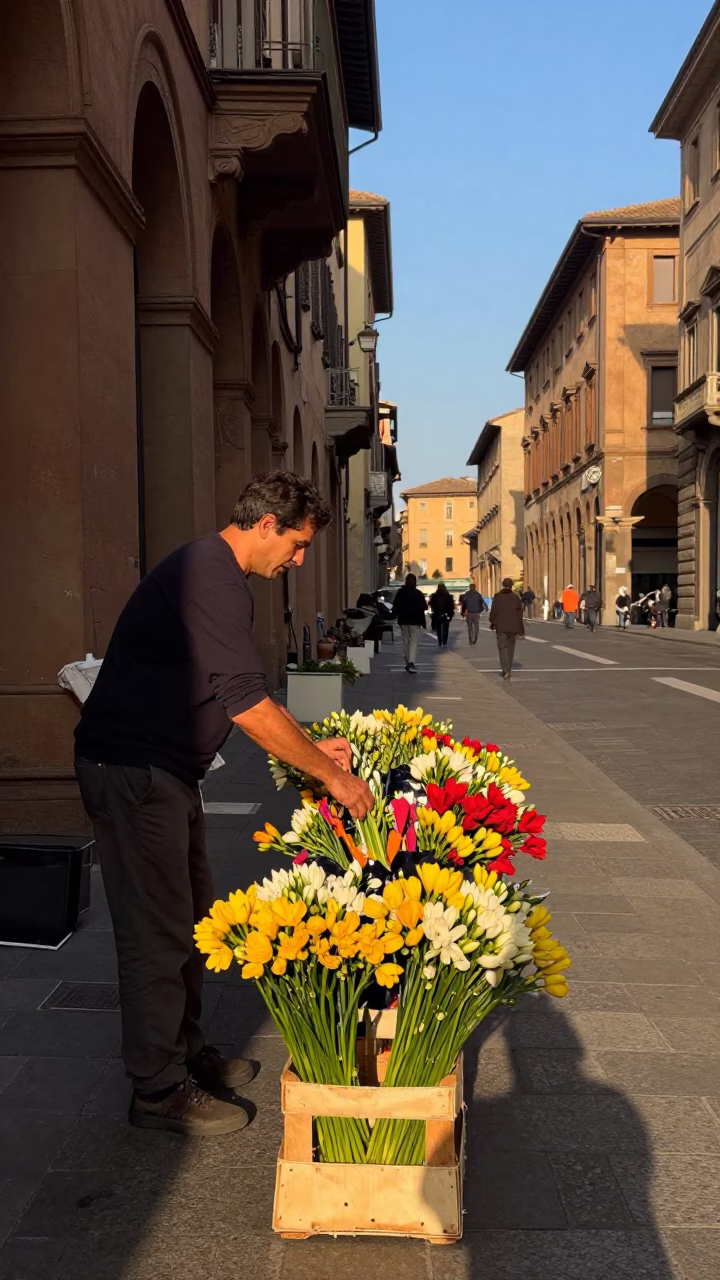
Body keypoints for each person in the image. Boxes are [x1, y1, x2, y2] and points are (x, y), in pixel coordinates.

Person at [74, 472, 373, 1137]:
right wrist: (330, 774)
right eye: (297, 545)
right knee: (157, 932)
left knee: (190, 920)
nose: (299, 561)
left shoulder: (216, 572)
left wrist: (309, 745)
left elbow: (238, 693)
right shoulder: (213, 578)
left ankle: (185, 1054)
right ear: (266, 525)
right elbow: (246, 704)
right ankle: (157, 1089)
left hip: (162, 771)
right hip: (132, 770)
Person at [489, 576, 525, 679]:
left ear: (503, 585)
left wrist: (492, 622)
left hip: (501, 627)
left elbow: (494, 611)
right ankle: (508, 669)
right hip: (513, 627)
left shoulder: (497, 597)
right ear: (511, 586)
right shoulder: (515, 598)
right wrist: (521, 630)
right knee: (510, 649)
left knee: (502, 649)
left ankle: (505, 670)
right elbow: (519, 614)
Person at [391, 573, 427, 672]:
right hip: (415, 621)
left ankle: (408, 660)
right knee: (413, 641)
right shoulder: (418, 593)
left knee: (406, 641)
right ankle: (411, 662)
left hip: (403, 620)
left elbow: (395, 605)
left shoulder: (401, 593)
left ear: (405, 582)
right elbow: (424, 607)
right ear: (415, 582)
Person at [429, 581, 455, 647]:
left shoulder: (434, 596)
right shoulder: (448, 596)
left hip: (437, 614)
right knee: (445, 628)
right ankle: (444, 641)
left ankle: (440, 641)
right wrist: (451, 614)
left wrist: (434, 611)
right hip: (446, 614)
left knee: (438, 629)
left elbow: (432, 604)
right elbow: (451, 606)